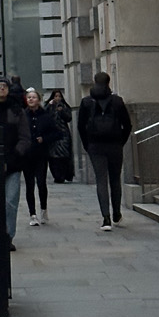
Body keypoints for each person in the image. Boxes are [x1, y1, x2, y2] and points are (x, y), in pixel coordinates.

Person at [78, 71, 133, 230]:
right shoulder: (117, 101)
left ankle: (106, 218)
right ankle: (117, 213)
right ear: (108, 82)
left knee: (101, 180)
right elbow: (127, 125)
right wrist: (120, 142)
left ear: (94, 82)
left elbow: (81, 126)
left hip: (95, 145)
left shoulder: (87, 102)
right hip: (115, 144)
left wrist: (87, 145)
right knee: (115, 179)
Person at [0, 75, 31, 251]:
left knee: (10, 202)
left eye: (5, 86)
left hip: (12, 164)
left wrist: (15, 155)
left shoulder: (17, 110)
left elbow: (25, 138)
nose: (2, 89)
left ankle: (8, 236)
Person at [21, 87, 59, 225]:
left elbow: (56, 133)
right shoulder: (22, 116)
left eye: (34, 97)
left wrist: (44, 138)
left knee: (41, 183)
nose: (31, 99)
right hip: (27, 155)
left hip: (41, 154)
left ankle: (43, 209)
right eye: (29, 97)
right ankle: (32, 214)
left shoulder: (46, 116)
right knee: (29, 184)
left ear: (39, 100)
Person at [45, 89, 74, 183]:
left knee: (64, 155)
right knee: (53, 156)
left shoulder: (64, 106)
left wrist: (62, 111)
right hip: (52, 134)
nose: (57, 98)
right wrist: (49, 106)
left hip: (63, 133)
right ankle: (56, 175)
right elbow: (44, 115)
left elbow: (69, 118)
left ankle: (63, 174)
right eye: (55, 96)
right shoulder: (49, 106)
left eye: (59, 96)